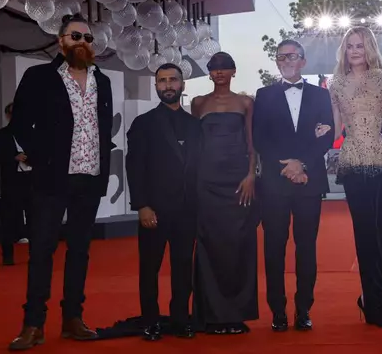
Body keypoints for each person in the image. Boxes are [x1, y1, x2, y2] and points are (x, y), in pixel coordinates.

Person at [8, 13, 114, 350]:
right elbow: (20, 124)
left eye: (87, 38)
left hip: (90, 178)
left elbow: (102, 127)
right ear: (61, 40)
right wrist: (42, 158)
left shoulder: (104, 81)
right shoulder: (39, 77)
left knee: (80, 252)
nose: (82, 42)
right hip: (53, 178)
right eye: (75, 36)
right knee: (41, 251)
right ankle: (33, 324)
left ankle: (72, 319)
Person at [328, 26, 382, 327]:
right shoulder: (335, 83)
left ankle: (375, 297)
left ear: (369, 48)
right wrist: (318, 133)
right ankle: (376, 302)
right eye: (349, 46)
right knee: (365, 234)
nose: (354, 51)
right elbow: (336, 130)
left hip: (380, 157)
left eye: (360, 45)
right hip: (352, 160)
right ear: (344, 50)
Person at [253, 39, 334, 332]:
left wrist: (303, 164)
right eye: (281, 56)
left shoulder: (320, 96)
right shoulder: (263, 95)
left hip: (309, 181)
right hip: (275, 183)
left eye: (292, 56)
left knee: (306, 248)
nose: (286, 60)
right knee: (273, 248)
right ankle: (277, 310)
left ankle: (303, 309)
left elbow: (327, 135)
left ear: (303, 61)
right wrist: (287, 167)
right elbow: (259, 138)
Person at [125, 63, 201, 341]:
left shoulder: (195, 125)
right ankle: (150, 321)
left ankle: (181, 319)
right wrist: (142, 205)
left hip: (186, 210)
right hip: (153, 210)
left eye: (173, 80)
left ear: (182, 85)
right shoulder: (143, 123)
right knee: (149, 268)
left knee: (183, 267)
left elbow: (200, 167)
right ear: (156, 86)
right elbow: (134, 167)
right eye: (162, 81)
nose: (167, 85)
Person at [190, 52, 259, 334]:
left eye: (224, 69)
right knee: (209, 245)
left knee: (239, 245)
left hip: (237, 182)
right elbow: (194, 144)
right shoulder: (198, 103)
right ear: (209, 73)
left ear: (233, 72)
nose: (219, 73)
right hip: (206, 182)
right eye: (214, 69)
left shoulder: (245, 103)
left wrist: (251, 175)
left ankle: (236, 315)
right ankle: (212, 316)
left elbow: (252, 143)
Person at [0, 103, 32, 266]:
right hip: (11, 181)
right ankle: (7, 255)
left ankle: (35, 255)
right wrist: (13, 157)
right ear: (8, 116)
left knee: (34, 219)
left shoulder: (32, 134)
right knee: (8, 219)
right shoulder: (0, 135)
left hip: (31, 180)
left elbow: (43, 155)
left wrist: (29, 157)